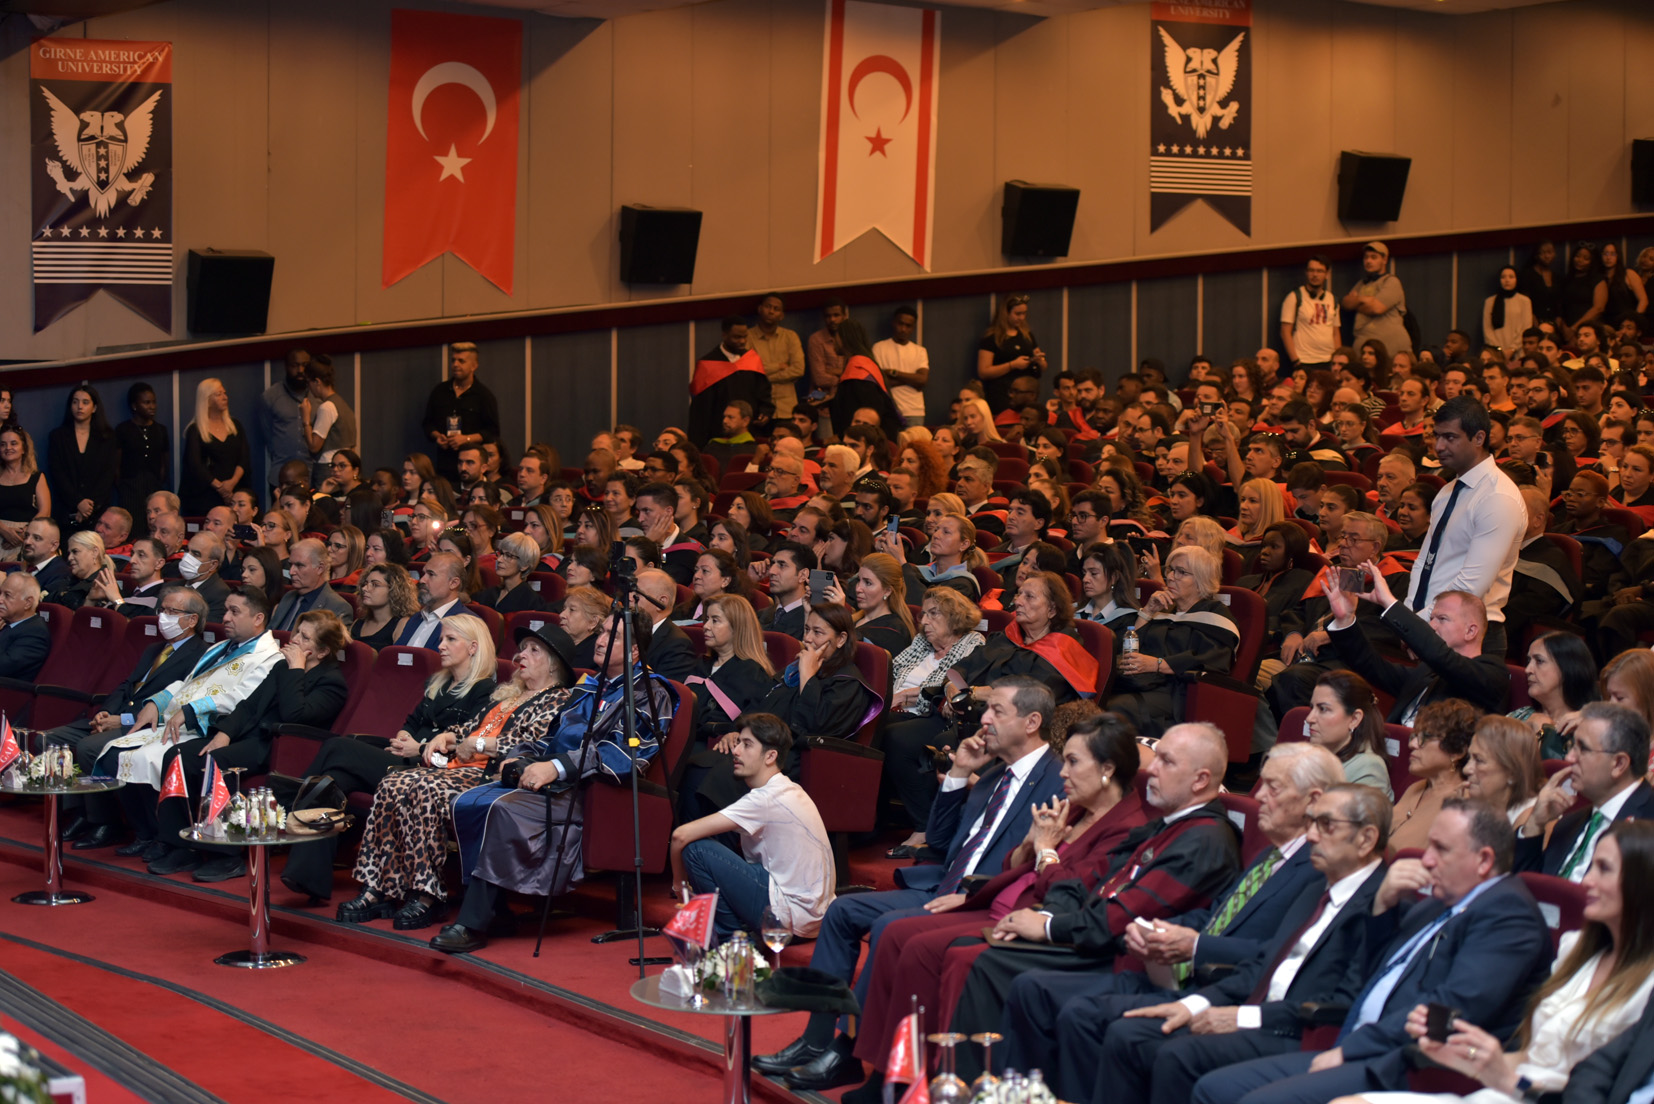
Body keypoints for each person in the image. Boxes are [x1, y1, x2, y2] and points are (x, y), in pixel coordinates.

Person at [753, 676, 1066, 1091]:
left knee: (889, 927)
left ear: (1031, 722)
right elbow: (938, 840)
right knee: (842, 910)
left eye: (997, 711)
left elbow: (1037, 862)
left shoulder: (1057, 779)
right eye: (986, 709)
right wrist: (958, 774)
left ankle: (847, 1050)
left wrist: (972, 896)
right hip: (941, 885)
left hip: (980, 899)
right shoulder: (994, 776)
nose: (984, 719)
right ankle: (815, 1040)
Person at [999, 742, 1347, 1104]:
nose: (1259, 797)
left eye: (1273, 788)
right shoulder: (1271, 855)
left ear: (1313, 800)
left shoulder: (1316, 868)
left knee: (1087, 1017)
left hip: (1226, 987)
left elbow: (1279, 954)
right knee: (1033, 987)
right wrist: (1159, 929)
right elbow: (1218, 914)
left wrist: (1195, 946)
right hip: (1174, 970)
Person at [853, 712, 1154, 1100]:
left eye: (1073, 762)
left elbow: (1070, 894)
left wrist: (1045, 850)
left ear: (1108, 769)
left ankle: (940, 1079)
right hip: (1002, 900)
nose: (1063, 772)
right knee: (897, 933)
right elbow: (1015, 864)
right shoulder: (1077, 807)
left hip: (1038, 921)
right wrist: (1030, 845)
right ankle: (890, 1071)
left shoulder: (1127, 827)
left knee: (935, 951)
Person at [1190, 799, 1553, 1104]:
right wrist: (1383, 905)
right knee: (1214, 1088)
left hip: (1407, 1067)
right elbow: (1367, 972)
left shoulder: (1509, 916)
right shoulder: (1437, 903)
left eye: (1441, 849)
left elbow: (1451, 1009)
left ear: (1484, 860)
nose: (1426, 860)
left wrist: (1350, 1051)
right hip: (1357, 1043)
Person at [943, 723, 1245, 1080]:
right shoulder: (1165, 824)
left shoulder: (1205, 840)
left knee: (993, 966)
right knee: (974, 949)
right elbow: (1089, 883)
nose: (1151, 770)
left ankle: (986, 1088)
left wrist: (1049, 926)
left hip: (1125, 957)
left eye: (1166, 761)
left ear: (1200, 780)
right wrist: (1047, 913)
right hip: (1093, 932)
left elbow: (1125, 917)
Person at [1094, 782, 1392, 1104]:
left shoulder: (1380, 906)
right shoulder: (1316, 889)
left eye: (1326, 825)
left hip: (1298, 1033)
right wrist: (1194, 1004)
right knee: (1129, 1034)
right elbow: (1263, 964)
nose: (1311, 836)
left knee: (1177, 1054)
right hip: (1256, 1012)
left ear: (1366, 839)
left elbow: (1342, 1003)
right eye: (1311, 823)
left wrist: (1240, 1017)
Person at [1335, 821, 1654, 1104]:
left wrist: (1508, 1080)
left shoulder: (1648, 986)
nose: (1586, 881)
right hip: (1509, 1091)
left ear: (1642, 882)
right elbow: (1532, 1059)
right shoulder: (1576, 951)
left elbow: (1599, 1090)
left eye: (1604, 869)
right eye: (1591, 866)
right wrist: (1467, 1054)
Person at [432, 611, 676, 951]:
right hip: (554, 782)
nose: (601, 640)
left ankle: (471, 924)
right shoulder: (589, 687)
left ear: (635, 651)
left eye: (614, 636)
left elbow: (626, 756)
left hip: (592, 792)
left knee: (501, 809)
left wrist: (557, 767)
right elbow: (551, 738)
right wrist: (520, 755)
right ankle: (497, 910)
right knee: (468, 801)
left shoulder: (649, 693)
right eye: (602, 631)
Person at [341, 617, 573, 932]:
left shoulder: (559, 699)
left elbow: (534, 745)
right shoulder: (509, 694)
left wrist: (478, 744)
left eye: (534, 650)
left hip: (490, 777)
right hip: (458, 768)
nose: (521, 655)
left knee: (422, 787)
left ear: (554, 665)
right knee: (393, 782)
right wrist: (448, 735)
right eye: (521, 648)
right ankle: (378, 887)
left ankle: (427, 893)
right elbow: (469, 729)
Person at [281, 615, 503, 902]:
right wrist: (403, 738)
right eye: (441, 639)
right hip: (402, 760)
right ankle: (307, 875)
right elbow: (410, 722)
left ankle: (291, 801)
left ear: (473, 647)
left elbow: (465, 748)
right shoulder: (438, 683)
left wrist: (418, 748)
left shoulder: (486, 692)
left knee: (338, 747)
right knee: (334, 780)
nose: (441, 645)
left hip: (431, 775)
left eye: (450, 639)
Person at [146, 610, 351, 880]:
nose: (294, 639)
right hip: (249, 737)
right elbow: (249, 705)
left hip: (279, 747)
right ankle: (179, 844)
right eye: (297, 632)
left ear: (322, 651)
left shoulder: (331, 682)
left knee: (216, 762)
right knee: (178, 754)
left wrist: (296, 669)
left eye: (305, 637)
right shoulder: (281, 667)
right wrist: (225, 734)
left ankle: (226, 855)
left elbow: (295, 715)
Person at [56, 585, 209, 852]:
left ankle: (105, 823)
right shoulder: (154, 649)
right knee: (50, 740)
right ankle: (80, 811)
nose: (163, 616)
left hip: (144, 725)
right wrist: (106, 713)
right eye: (162, 610)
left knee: (89, 748)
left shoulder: (200, 655)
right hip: (117, 716)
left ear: (192, 619)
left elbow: (175, 701)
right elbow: (127, 685)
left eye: (172, 611)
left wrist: (123, 720)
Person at [670, 712, 835, 942]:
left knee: (696, 849)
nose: (736, 751)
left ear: (770, 756)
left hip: (790, 918)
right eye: (738, 743)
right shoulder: (790, 789)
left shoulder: (765, 799)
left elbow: (680, 836)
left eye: (747, 745)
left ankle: (733, 941)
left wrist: (679, 887)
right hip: (813, 916)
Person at [1327, 565, 1510, 724]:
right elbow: (1370, 665)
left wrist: (1389, 602)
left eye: (1442, 619)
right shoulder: (1426, 673)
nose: (1432, 625)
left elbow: (1441, 657)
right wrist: (1345, 619)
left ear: (1470, 631)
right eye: (1431, 618)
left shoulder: (1492, 673)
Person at [1107, 546, 1239, 740]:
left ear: (1201, 580)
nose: (1170, 577)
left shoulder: (1215, 615)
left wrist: (1157, 664)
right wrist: (1147, 612)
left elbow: (1212, 660)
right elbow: (1132, 645)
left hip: (1178, 691)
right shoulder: (1167, 611)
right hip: (1142, 683)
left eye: (1181, 572)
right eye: (1170, 570)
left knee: (1117, 707)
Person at [1516, 702, 1654, 880]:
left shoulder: (1648, 825)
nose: (1569, 758)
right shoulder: (1567, 824)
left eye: (1582, 748)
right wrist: (1535, 824)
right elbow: (1527, 888)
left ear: (1619, 764)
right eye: (1572, 746)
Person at [1388, 700, 1477, 852]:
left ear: (1457, 752)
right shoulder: (1415, 788)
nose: (1412, 744)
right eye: (1414, 736)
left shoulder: (1463, 803)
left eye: (1425, 737)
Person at [420, 342, 501, 485]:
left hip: (472, 468)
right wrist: (437, 436)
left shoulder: (483, 395)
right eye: (453, 360)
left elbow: (492, 431)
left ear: (474, 365)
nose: (455, 365)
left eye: (461, 361)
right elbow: (427, 424)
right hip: (444, 465)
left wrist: (467, 439)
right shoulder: (440, 392)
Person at [1305, 670, 1394, 798]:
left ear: (1354, 719)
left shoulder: (1368, 768)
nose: (1309, 718)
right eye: (1311, 708)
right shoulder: (1315, 754)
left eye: (1323, 709)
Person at [1511, 631, 1599, 758]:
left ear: (1567, 667)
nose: (1528, 670)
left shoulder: (1589, 727)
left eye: (1539, 661)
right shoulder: (1521, 716)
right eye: (1529, 661)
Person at [47, 383, 119, 533]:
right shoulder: (58, 436)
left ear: (94, 408)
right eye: (75, 402)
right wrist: (78, 502)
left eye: (85, 402)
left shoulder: (107, 437)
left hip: (98, 513)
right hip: (66, 511)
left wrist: (88, 508)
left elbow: (108, 474)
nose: (79, 406)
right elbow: (57, 473)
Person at [690, 317, 772, 446]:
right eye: (737, 337)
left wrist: (765, 412)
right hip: (718, 436)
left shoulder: (751, 360)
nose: (742, 341)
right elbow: (701, 412)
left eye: (744, 337)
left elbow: (764, 393)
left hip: (749, 434)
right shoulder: (708, 365)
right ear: (724, 335)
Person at [179, 378, 251, 517]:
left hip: (235, 492)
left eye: (224, 393)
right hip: (204, 496)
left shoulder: (235, 426)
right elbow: (194, 464)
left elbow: (244, 459)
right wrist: (220, 488)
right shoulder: (195, 430)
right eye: (218, 394)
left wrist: (232, 483)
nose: (225, 397)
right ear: (206, 400)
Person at [1463, 714, 1546, 827]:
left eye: (1479, 760)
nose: (1466, 769)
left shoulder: (1533, 819)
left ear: (1512, 773)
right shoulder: (1479, 807)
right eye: (1469, 758)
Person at [977, 294, 1047, 413]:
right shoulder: (992, 338)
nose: (1021, 318)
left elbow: (1044, 366)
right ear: (1006, 313)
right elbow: (983, 372)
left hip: (1027, 396)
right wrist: (1012, 365)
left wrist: (1040, 360)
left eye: (1024, 313)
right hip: (1002, 395)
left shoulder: (1027, 335)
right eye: (1017, 314)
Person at [113, 382, 168, 533]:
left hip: (154, 488)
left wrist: (159, 481)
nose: (152, 406)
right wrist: (123, 486)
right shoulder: (123, 430)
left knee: (155, 527)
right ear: (134, 406)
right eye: (146, 402)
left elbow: (164, 462)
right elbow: (116, 465)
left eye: (153, 402)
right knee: (133, 528)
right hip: (130, 489)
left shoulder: (160, 430)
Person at [267, 538, 353, 631]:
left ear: (320, 568)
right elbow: (269, 633)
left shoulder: (338, 608)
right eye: (291, 565)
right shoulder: (288, 597)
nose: (291, 572)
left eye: (299, 565)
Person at [1343, 241, 1412, 356]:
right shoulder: (1361, 284)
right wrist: (1365, 300)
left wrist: (1357, 302)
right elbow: (1346, 303)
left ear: (1384, 260)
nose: (1368, 261)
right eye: (1366, 257)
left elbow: (1376, 308)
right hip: (1364, 349)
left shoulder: (1391, 281)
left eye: (1374, 257)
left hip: (1390, 349)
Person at [394, 552, 471, 649]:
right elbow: (397, 656)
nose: (422, 580)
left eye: (431, 574)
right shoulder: (415, 619)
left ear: (453, 583)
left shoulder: (465, 624)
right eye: (424, 573)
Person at [260, 350, 312, 493]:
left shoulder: (317, 395)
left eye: (304, 365)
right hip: (280, 475)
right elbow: (267, 433)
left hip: (312, 475)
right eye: (295, 365)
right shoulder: (270, 396)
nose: (300, 370)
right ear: (286, 366)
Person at [301, 355, 356, 488]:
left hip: (328, 468)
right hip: (344, 467)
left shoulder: (327, 407)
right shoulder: (343, 404)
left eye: (308, 383)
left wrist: (306, 420)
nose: (308, 388)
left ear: (317, 382)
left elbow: (314, 446)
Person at [748, 293, 805, 421]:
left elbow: (798, 369)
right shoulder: (747, 337)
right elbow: (750, 371)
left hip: (787, 408)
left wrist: (766, 378)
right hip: (759, 408)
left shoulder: (790, 337)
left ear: (782, 315)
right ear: (760, 309)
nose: (771, 311)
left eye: (776, 309)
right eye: (768, 307)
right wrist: (779, 366)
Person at [873, 305, 930, 426]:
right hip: (889, 410)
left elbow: (922, 380)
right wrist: (912, 380)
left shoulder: (920, 351)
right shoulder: (879, 348)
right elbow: (880, 382)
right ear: (894, 323)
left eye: (908, 326)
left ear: (913, 327)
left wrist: (893, 373)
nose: (903, 329)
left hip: (914, 410)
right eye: (900, 324)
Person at [1281, 255, 1341, 368]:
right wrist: (1296, 361)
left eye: (1319, 271)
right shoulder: (1294, 297)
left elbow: (1336, 333)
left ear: (1327, 274)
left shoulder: (1332, 299)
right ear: (1306, 272)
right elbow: (1285, 332)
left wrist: (1338, 359)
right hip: (1305, 360)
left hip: (1328, 360)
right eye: (1311, 270)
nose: (1315, 274)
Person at [0, 427, 47, 557]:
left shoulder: (36, 476)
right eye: (3, 444)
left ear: (24, 448)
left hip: (27, 539)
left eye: (13, 443)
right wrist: (4, 531)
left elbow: (45, 512)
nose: (8, 448)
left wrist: (24, 534)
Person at [472, 532, 546, 615]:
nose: (499, 559)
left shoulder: (532, 602)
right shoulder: (487, 594)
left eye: (508, 556)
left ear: (524, 565)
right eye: (501, 553)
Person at [1076, 542, 1141, 634]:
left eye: (1093, 573)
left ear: (1114, 577)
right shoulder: (1073, 613)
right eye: (1084, 573)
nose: (1085, 579)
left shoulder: (1127, 619)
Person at [351, 562, 418, 649]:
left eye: (375, 585)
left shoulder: (402, 624)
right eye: (365, 583)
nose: (364, 588)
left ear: (393, 590)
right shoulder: (358, 623)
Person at [1483, 265, 1535, 357]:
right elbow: (1487, 329)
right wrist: (1499, 350)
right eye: (1503, 277)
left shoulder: (1524, 301)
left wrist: (1512, 349)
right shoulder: (1490, 301)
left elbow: (1526, 327)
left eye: (1511, 277)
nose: (1507, 280)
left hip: (1519, 351)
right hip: (1496, 352)